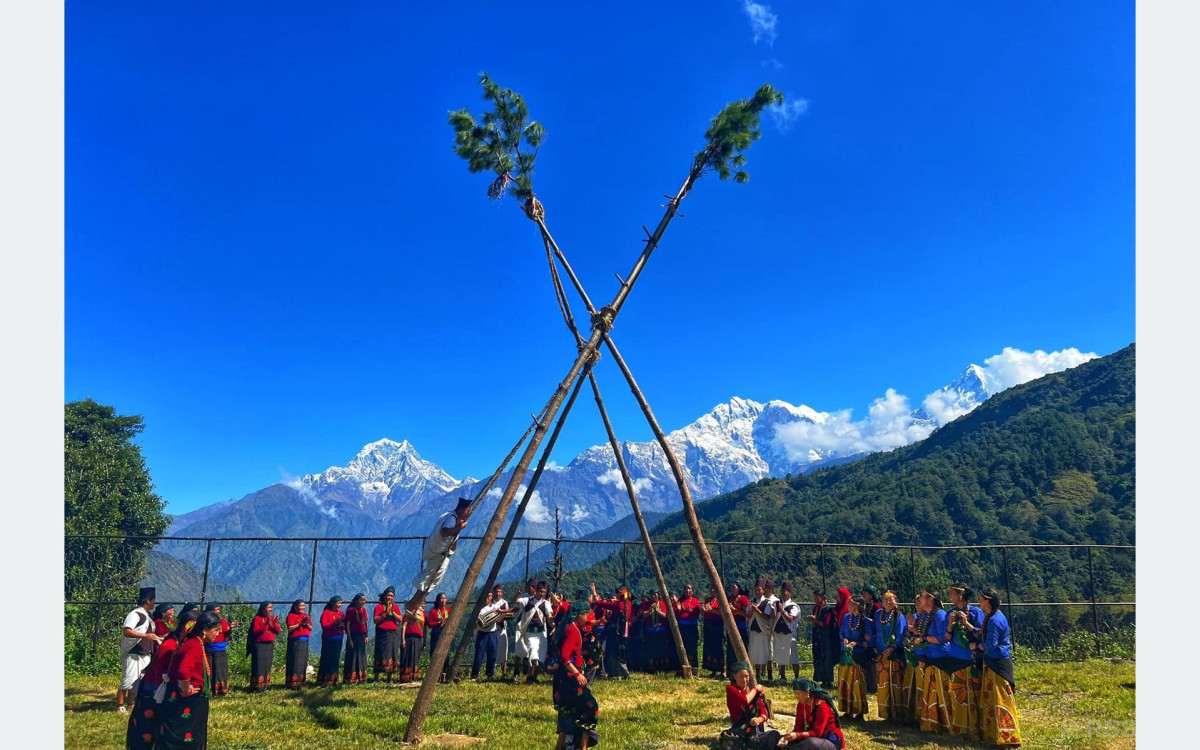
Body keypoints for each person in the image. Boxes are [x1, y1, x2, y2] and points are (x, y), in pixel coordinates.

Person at [125, 609, 197, 750]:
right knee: (148, 730)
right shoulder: (171, 646)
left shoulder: (179, 643)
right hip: (153, 692)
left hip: (159, 690)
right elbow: (160, 673)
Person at [156, 610, 222, 749]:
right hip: (187, 699)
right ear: (205, 630)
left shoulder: (193, 641)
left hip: (185, 697)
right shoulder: (194, 645)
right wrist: (185, 689)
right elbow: (183, 671)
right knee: (184, 733)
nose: (217, 634)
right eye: (216, 630)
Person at [407, 496, 472, 612]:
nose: (469, 513)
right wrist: (459, 528)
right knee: (430, 581)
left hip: (437, 553)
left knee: (430, 580)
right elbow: (445, 532)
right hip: (440, 555)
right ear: (462, 510)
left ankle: (414, 603)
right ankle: (412, 604)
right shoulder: (452, 519)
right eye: (468, 510)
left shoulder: (449, 515)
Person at [977, 589, 1022, 746]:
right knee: (992, 699)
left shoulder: (994, 620)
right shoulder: (992, 617)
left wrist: (976, 646)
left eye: (981, 599)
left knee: (1000, 700)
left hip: (998, 663)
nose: (979, 601)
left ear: (987, 602)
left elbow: (991, 644)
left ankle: (1007, 737)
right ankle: (995, 735)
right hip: (993, 662)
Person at [939, 583, 984, 737]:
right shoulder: (949, 613)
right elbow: (947, 637)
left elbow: (980, 634)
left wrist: (966, 622)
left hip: (969, 657)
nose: (949, 596)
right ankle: (959, 727)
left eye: (951, 593)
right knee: (957, 693)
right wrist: (951, 625)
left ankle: (974, 727)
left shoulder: (975, 612)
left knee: (972, 694)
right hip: (955, 656)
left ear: (960, 596)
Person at [553, 604, 601, 750]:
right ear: (579, 614)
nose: (587, 617)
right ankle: (582, 745)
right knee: (589, 707)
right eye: (586, 614)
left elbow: (587, 623)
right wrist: (577, 673)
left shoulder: (570, 627)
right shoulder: (572, 631)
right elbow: (565, 656)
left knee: (569, 709)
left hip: (564, 678)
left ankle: (566, 743)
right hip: (570, 678)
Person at [118, 587, 161, 714]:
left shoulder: (149, 616)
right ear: (148, 601)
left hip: (145, 653)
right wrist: (145, 636)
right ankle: (120, 705)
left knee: (138, 681)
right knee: (128, 679)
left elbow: (150, 633)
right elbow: (127, 631)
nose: (154, 603)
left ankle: (131, 703)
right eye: (153, 600)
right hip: (134, 652)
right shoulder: (135, 614)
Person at [722, 661, 781, 747]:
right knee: (733, 741)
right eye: (741, 677)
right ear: (735, 677)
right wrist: (755, 689)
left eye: (746, 676)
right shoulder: (731, 689)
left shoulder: (751, 692)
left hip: (754, 729)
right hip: (739, 728)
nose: (744, 680)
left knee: (774, 735)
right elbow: (744, 700)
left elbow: (763, 711)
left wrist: (759, 719)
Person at [776, 677, 846, 749]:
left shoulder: (822, 706)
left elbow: (818, 733)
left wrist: (797, 735)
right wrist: (788, 737)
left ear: (807, 692)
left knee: (810, 743)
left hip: (829, 740)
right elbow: (798, 727)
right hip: (813, 738)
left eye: (798, 694)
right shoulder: (801, 705)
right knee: (778, 737)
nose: (796, 697)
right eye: (795, 693)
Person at [918, 589, 951, 734]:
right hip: (929, 657)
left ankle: (946, 724)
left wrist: (924, 639)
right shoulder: (926, 615)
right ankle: (932, 723)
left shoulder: (940, 615)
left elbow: (943, 638)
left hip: (940, 658)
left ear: (931, 600)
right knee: (930, 692)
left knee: (942, 693)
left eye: (923, 597)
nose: (920, 599)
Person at [873, 591, 907, 722]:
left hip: (894, 654)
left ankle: (896, 713)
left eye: (891, 599)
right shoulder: (878, 614)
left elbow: (900, 634)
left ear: (896, 601)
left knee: (894, 683)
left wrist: (893, 647)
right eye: (885, 599)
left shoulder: (899, 616)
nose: (888, 602)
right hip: (881, 653)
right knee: (883, 683)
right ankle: (885, 712)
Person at [837, 595, 870, 721]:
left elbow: (869, 639)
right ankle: (848, 710)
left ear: (856, 605)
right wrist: (844, 639)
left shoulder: (865, 621)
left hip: (858, 655)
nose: (848, 606)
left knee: (857, 683)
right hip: (846, 653)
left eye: (850, 604)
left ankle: (860, 711)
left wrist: (857, 643)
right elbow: (841, 632)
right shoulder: (846, 618)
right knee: (845, 681)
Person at [517, 581, 554, 683]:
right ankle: (529, 676)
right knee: (533, 653)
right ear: (536, 590)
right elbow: (515, 600)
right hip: (530, 632)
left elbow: (549, 616)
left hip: (542, 633)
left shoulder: (546, 603)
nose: (542, 594)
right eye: (541, 591)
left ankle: (534, 677)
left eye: (544, 592)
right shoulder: (527, 601)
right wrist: (518, 593)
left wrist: (553, 625)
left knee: (541, 657)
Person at [202, 604, 236, 696]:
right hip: (210, 648)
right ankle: (211, 690)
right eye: (216, 609)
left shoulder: (222, 620)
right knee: (211, 668)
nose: (218, 611)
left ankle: (221, 689)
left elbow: (226, 632)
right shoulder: (207, 620)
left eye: (218, 609)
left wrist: (231, 628)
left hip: (221, 648)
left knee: (221, 669)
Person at [807, 590, 837, 689]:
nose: (815, 600)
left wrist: (815, 620)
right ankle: (819, 678)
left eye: (817, 597)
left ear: (822, 597)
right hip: (818, 636)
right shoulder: (816, 608)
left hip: (826, 637)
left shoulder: (828, 609)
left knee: (826, 658)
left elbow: (826, 624)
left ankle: (827, 681)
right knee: (818, 657)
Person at [248, 601, 282, 692]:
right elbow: (256, 631)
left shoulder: (272, 618)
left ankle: (266, 685)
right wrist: (266, 624)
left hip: (269, 645)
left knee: (267, 665)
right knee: (259, 665)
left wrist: (274, 623)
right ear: (263, 609)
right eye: (268, 608)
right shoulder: (257, 619)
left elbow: (278, 631)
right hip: (259, 645)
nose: (270, 610)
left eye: (271, 608)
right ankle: (257, 686)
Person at [773, 582, 801, 684]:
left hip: (789, 633)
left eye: (786, 591)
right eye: (783, 591)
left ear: (790, 593)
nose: (784, 593)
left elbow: (790, 619)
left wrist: (782, 611)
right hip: (780, 633)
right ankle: (782, 676)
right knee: (781, 655)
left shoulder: (793, 606)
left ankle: (797, 677)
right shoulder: (778, 603)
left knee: (793, 656)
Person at [374, 586, 403, 682]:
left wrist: (392, 611)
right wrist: (385, 614)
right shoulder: (379, 607)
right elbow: (375, 620)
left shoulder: (396, 607)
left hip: (393, 632)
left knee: (393, 653)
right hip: (382, 632)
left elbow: (400, 619)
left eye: (392, 596)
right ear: (384, 596)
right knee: (381, 652)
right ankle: (376, 677)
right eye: (388, 595)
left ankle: (389, 678)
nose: (390, 598)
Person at [747, 580, 774, 682]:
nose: (757, 592)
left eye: (759, 590)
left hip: (763, 631)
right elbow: (748, 615)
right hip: (754, 630)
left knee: (767, 653)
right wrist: (751, 609)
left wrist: (757, 610)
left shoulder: (767, 602)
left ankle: (770, 675)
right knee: (756, 653)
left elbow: (766, 617)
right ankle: (758, 674)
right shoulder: (752, 601)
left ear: (763, 591)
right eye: (755, 590)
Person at [473, 591, 503, 680]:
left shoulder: (495, 607)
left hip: (493, 633)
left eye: (488, 597)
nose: (486, 599)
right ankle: (474, 674)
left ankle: (490, 673)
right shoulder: (480, 609)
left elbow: (499, 618)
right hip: (482, 633)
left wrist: (502, 615)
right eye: (485, 597)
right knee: (479, 655)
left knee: (492, 654)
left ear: (491, 598)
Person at [673, 584, 702, 675]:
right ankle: (682, 668)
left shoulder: (696, 601)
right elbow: (676, 614)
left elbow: (697, 614)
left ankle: (694, 669)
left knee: (692, 647)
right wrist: (679, 610)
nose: (687, 590)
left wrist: (691, 612)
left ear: (692, 591)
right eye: (686, 589)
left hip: (691, 628)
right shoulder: (680, 601)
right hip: (682, 628)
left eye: (689, 589)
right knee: (682, 646)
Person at [285, 600, 313, 688]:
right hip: (295, 641)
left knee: (302, 662)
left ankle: (301, 681)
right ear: (295, 607)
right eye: (300, 606)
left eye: (304, 606)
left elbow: (310, 628)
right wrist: (300, 624)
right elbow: (290, 628)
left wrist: (306, 624)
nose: (302, 608)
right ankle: (292, 682)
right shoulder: (291, 616)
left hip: (304, 640)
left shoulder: (306, 616)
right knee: (294, 661)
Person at [317, 596, 345, 687]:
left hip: (338, 638)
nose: (339, 605)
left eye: (341, 603)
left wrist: (342, 625)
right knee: (327, 658)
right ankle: (324, 680)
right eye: (338, 603)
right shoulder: (326, 613)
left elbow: (345, 625)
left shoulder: (341, 613)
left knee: (335, 659)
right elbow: (324, 625)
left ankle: (333, 679)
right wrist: (336, 623)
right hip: (328, 638)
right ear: (333, 603)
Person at [859, 585, 881, 695]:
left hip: (873, 637)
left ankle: (874, 686)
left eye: (865, 594)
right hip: (865, 637)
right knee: (867, 661)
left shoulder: (876, 607)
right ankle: (868, 685)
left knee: (873, 661)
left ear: (871, 595)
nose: (863, 596)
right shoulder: (865, 606)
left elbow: (878, 622)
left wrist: (867, 620)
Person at [344, 593, 370, 685]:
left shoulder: (363, 610)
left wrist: (366, 635)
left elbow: (365, 623)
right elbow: (347, 625)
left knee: (361, 656)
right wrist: (350, 639)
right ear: (356, 601)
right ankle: (351, 678)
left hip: (362, 636)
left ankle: (361, 677)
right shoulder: (351, 610)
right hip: (353, 636)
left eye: (364, 600)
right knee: (353, 656)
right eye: (361, 600)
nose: (363, 602)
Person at [513, 579, 536, 678]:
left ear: (534, 587)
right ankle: (516, 671)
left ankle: (526, 672)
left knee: (529, 650)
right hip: (521, 625)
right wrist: (518, 594)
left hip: (532, 627)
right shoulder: (524, 597)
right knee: (519, 649)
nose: (527, 588)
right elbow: (515, 601)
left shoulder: (538, 598)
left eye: (529, 586)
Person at [426, 592, 452, 683]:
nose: (443, 600)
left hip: (446, 635)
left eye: (445, 598)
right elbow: (430, 624)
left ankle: (445, 675)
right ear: (438, 600)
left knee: (446, 656)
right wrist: (439, 623)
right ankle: (435, 676)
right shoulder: (433, 611)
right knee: (435, 654)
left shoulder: (449, 610)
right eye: (441, 598)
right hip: (436, 635)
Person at [726, 583, 751, 675]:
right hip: (731, 626)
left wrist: (734, 610)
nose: (732, 589)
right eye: (731, 587)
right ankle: (730, 671)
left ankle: (743, 670)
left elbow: (746, 614)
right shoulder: (730, 599)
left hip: (741, 627)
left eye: (734, 587)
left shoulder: (743, 599)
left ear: (739, 588)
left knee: (741, 647)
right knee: (731, 648)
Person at [643, 590, 670, 672]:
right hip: (650, 630)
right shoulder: (648, 604)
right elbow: (644, 616)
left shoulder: (662, 603)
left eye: (655, 594)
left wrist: (656, 610)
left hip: (661, 630)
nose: (653, 596)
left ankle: (663, 667)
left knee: (661, 649)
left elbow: (665, 615)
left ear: (658, 595)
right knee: (651, 648)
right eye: (652, 595)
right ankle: (652, 667)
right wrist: (650, 610)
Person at [701, 585, 725, 678]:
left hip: (717, 625)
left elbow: (724, 612)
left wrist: (712, 611)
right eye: (711, 588)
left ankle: (722, 670)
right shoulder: (708, 600)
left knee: (718, 647)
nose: (712, 590)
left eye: (714, 589)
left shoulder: (721, 600)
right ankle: (713, 670)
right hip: (708, 625)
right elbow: (704, 614)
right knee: (710, 647)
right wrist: (703, 610)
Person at [399, 602, 425, 683]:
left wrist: (424, 641)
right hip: (409, 637)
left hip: (418, 638)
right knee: (407, 656)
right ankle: (405, 677)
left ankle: (414, 676)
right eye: (421, 603)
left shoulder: (424, 616)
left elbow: (424, 628)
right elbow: (404, 626)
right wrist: (403, 639)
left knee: (415, 657)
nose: (423, 605)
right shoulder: (409, 614)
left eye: (424, 603)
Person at [492, 585, 514, 678]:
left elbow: (508, 614)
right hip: (492, 630)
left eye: (499, 592)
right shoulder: (490, 603)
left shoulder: (504, 603)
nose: (497, 593)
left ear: (502, 593)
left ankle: (504, 672)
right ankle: (490, 671)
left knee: (503, 651)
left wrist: (501, 615)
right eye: (496, 591)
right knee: (492, 650)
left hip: (502, 629)